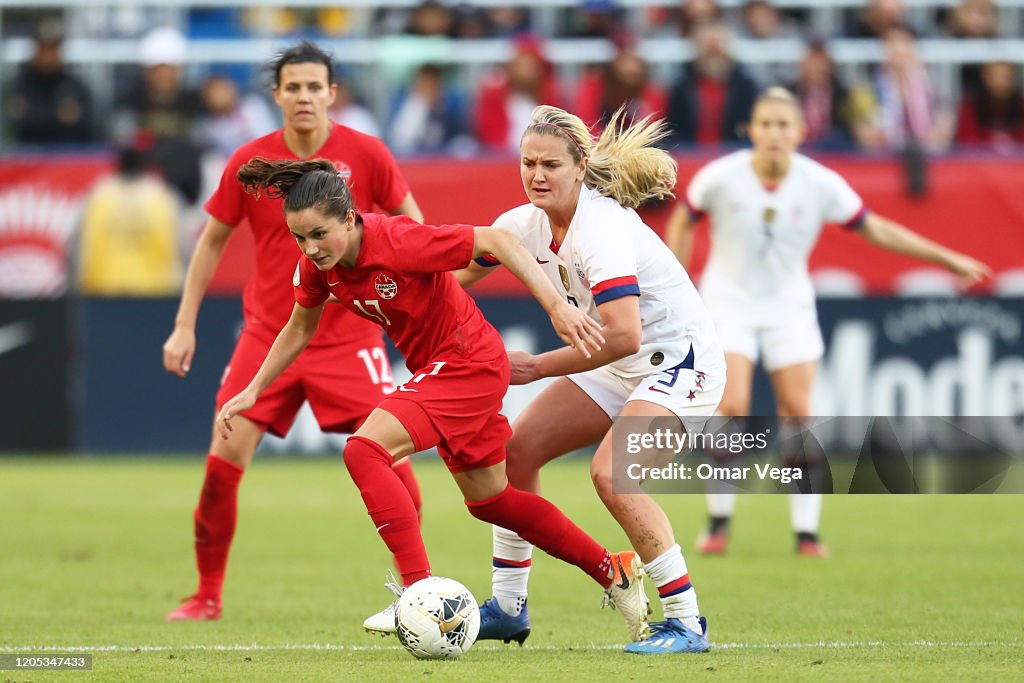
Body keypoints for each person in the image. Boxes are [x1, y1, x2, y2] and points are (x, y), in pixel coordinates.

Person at [218, 157, 648, 643]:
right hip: (451, 369)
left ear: (350, 217)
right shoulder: (320, 268)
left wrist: (556, 309)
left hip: (467, 362)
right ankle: (613, 569)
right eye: (300, 238)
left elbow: (498, 241)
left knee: (364, 450)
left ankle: (416, 595)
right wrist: (254, 388)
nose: (311, 248)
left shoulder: (397, 240)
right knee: (493, 502)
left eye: (320, 234)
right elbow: (298, 328)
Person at [664, 87, 991, 557]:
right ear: (750, 130)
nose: (775, 133)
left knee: (798, 412)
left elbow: (874, 227)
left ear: (800, 132)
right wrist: (678, 284)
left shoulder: (820, 183)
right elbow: (682, 220)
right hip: (728, 301)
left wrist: (943, 257)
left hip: (788, 306)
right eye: (766, 123)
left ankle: (806, 532)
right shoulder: (721, 177)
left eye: (784, 124)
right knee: (730, 405)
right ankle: (719, 521)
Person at [163, 42, 425, 622]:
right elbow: (211, 242)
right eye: (293, 87)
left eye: (315, 87)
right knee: (219, 466)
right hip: (268, 335)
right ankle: (206, 594)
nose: (304, 97)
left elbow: (415, 225)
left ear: (332, 93)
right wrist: (185, 325)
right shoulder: (249, 162)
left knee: (396, 469)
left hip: (349, 337)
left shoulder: (367, 154)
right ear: (277, 94)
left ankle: (419, 593)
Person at [455, 105, 727, 655]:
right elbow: (451, 281)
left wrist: (535, 366)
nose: (536, 175)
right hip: (619, 367)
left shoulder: (599, 228)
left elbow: (624, 335)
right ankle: (508, 608)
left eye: (550, 164)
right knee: (514, 455)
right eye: (528, 162)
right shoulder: (519, 226)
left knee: (614, 475)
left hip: (680, 365)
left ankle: (686, 620)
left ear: (580, 167)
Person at [76, 145, 182, 295]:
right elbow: (181, 247)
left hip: (104, 290)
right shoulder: (161, 196)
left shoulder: (98, 195)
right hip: (155, 291)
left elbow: (78, 247)